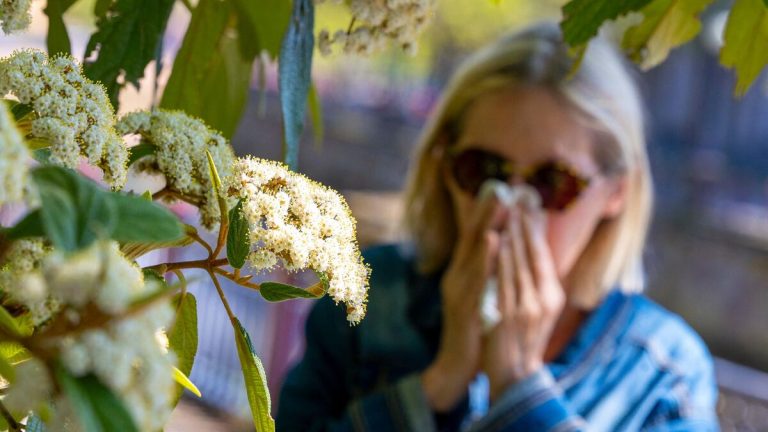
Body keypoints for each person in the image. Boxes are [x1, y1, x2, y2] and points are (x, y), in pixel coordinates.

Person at [276, 23, 719, 431]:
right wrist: (439, 383)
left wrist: (519, 382)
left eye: (553, 182)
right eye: (483, 170)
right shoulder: (367, 295)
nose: (506, 208)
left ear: (616, 192)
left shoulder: (664, 372)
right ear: (445, 165)